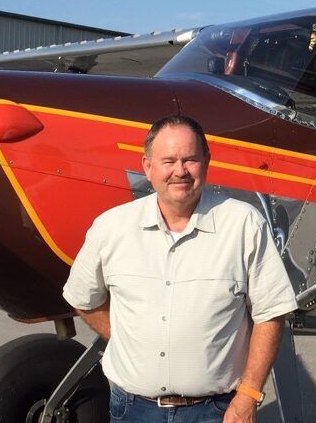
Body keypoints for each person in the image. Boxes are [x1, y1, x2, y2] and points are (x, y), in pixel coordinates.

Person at [63, 115, 298, 423]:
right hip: (134, 410)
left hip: (216, 411)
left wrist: (249, 395)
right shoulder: (111, 227)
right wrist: (126, 339)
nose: (180, 171)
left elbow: (271, 312)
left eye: (190, 160)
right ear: (147, 167)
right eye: (168, 161)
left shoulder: (244, 224)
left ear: (207, 162)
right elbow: (83, 297)